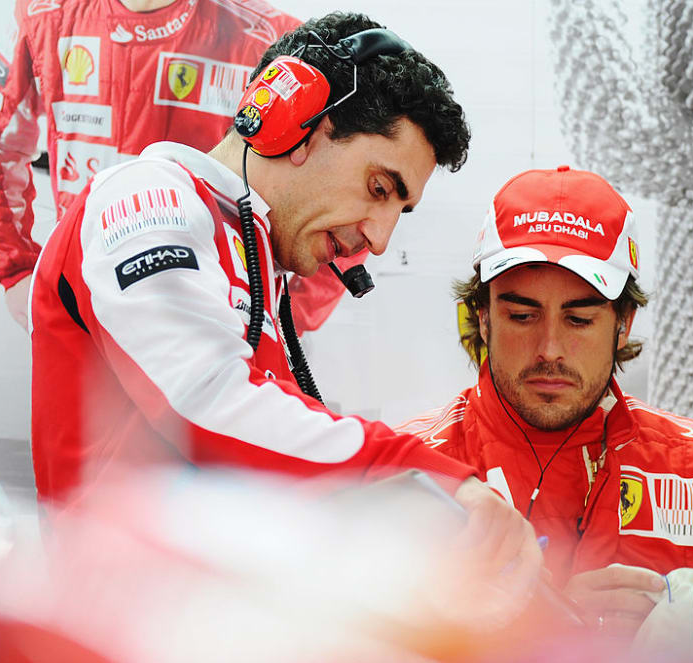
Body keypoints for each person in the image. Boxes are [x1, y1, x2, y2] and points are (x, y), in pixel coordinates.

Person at [27, 10, 542, 615]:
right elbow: (204, 405)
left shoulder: (249, 257)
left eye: (400, 211)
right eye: (380, 189)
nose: (378, 239)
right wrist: (436, 478)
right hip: (119, 630)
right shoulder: (145, 196)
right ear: (296, 124)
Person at [397, 166, 693, 662]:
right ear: (483, 317)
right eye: (522, 315)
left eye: (579, 319)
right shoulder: (408, 469)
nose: (549, 348)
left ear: (623, 323)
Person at [0, 0, 352, 333]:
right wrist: (16, 271)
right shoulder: (44, 16)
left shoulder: (273, 40)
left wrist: (286, 317)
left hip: (219, 319)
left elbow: (352, 182)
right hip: (84, 310)